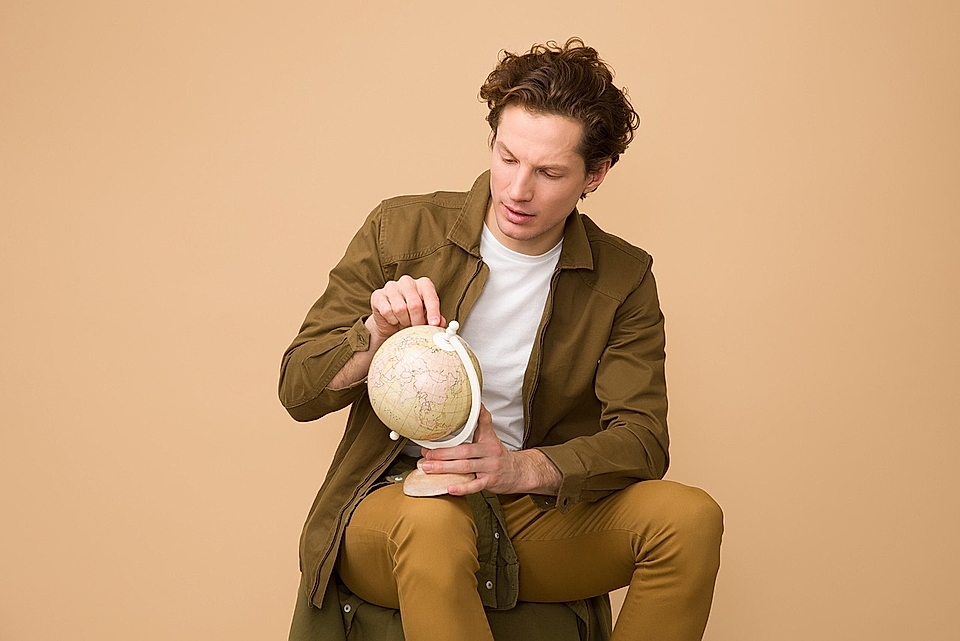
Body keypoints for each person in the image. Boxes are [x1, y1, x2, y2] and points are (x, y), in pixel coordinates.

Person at [279, 38, 723, 641]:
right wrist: (373, 335)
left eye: (549, 172)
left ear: (595, 175)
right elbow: (298, 390)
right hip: (394, 503)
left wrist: (519, 470)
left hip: (525, 509)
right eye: (507, 157)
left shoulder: (624, 278)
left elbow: (643, 441)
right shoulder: (401, 228)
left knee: (690, 519)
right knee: (434, 527)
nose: (517, 190)